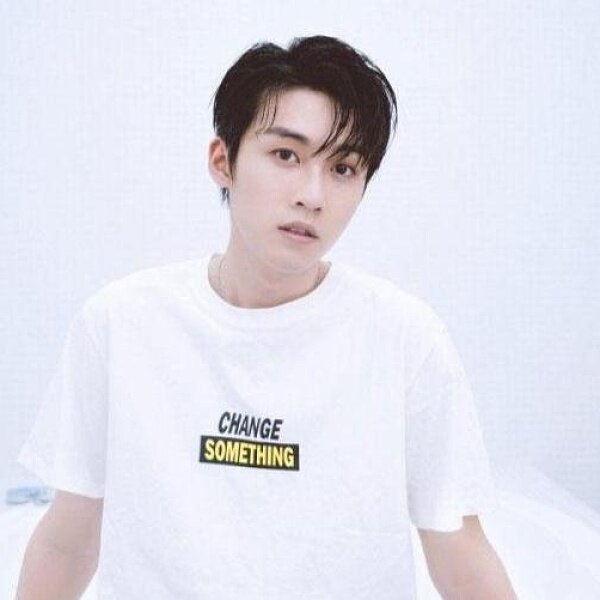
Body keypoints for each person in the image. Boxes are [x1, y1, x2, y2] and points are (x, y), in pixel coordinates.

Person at [15, 35, 517, 599]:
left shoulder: (405, 338)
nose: (313, 195)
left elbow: (459, 553)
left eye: (344, 168)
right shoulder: (120, 323)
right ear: (222, 161)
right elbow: (69, 539)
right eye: (286, 155)